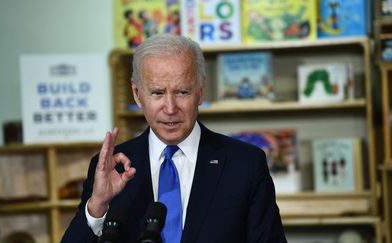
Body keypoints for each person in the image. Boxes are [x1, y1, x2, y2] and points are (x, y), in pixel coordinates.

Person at [61, 33, 287, 243]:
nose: (170, 108)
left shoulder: (245, 164)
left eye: (182, 92)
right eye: (157, 93)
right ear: (137, 94)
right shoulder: (111, 169)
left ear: (200, 91)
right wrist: (97, 207)